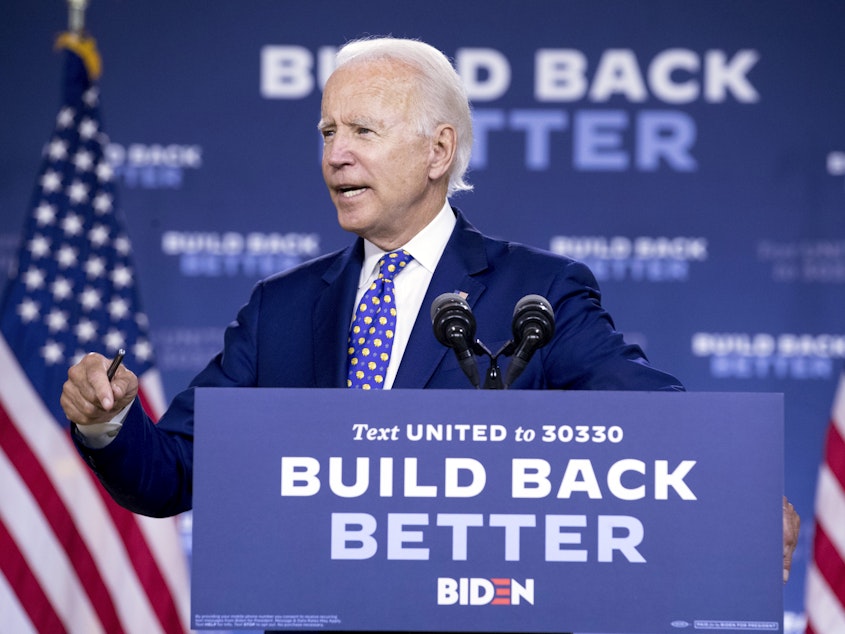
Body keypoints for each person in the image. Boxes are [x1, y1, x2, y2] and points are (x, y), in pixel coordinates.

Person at [61, 36, 799, 579]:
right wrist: (108, 425)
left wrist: (738, 487)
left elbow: (644, 412)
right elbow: (173, 474)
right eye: (326, 132)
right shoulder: (279, 309)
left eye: (362, 132)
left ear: (438, 151)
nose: (334, 155)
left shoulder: (535, 292)